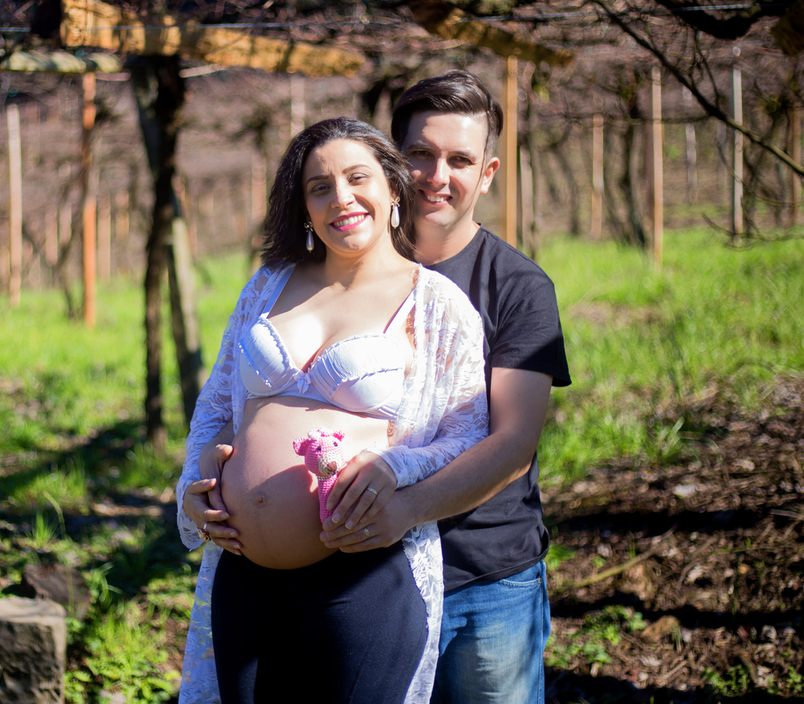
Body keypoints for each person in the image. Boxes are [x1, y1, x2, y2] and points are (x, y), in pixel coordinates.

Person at [175, 118, 490, 704]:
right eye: (319, 186)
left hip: (361, 574)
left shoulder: (438, 305)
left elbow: (470, 437)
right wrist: (195, 483)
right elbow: (217, 403)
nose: (340, 198)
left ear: (394, 189)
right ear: (302, 207)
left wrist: (397, 468)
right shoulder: (267, 286)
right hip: (245, 577)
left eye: (356, 178)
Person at [320, 71, 572, 703]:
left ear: (486, 174)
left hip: (484, 580)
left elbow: (513, 446)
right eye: (420, 154)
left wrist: (404, 510)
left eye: (459, 159)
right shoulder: (335, 270)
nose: (438, 175)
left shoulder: (517, 287)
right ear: (391, 162)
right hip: (367, 571)